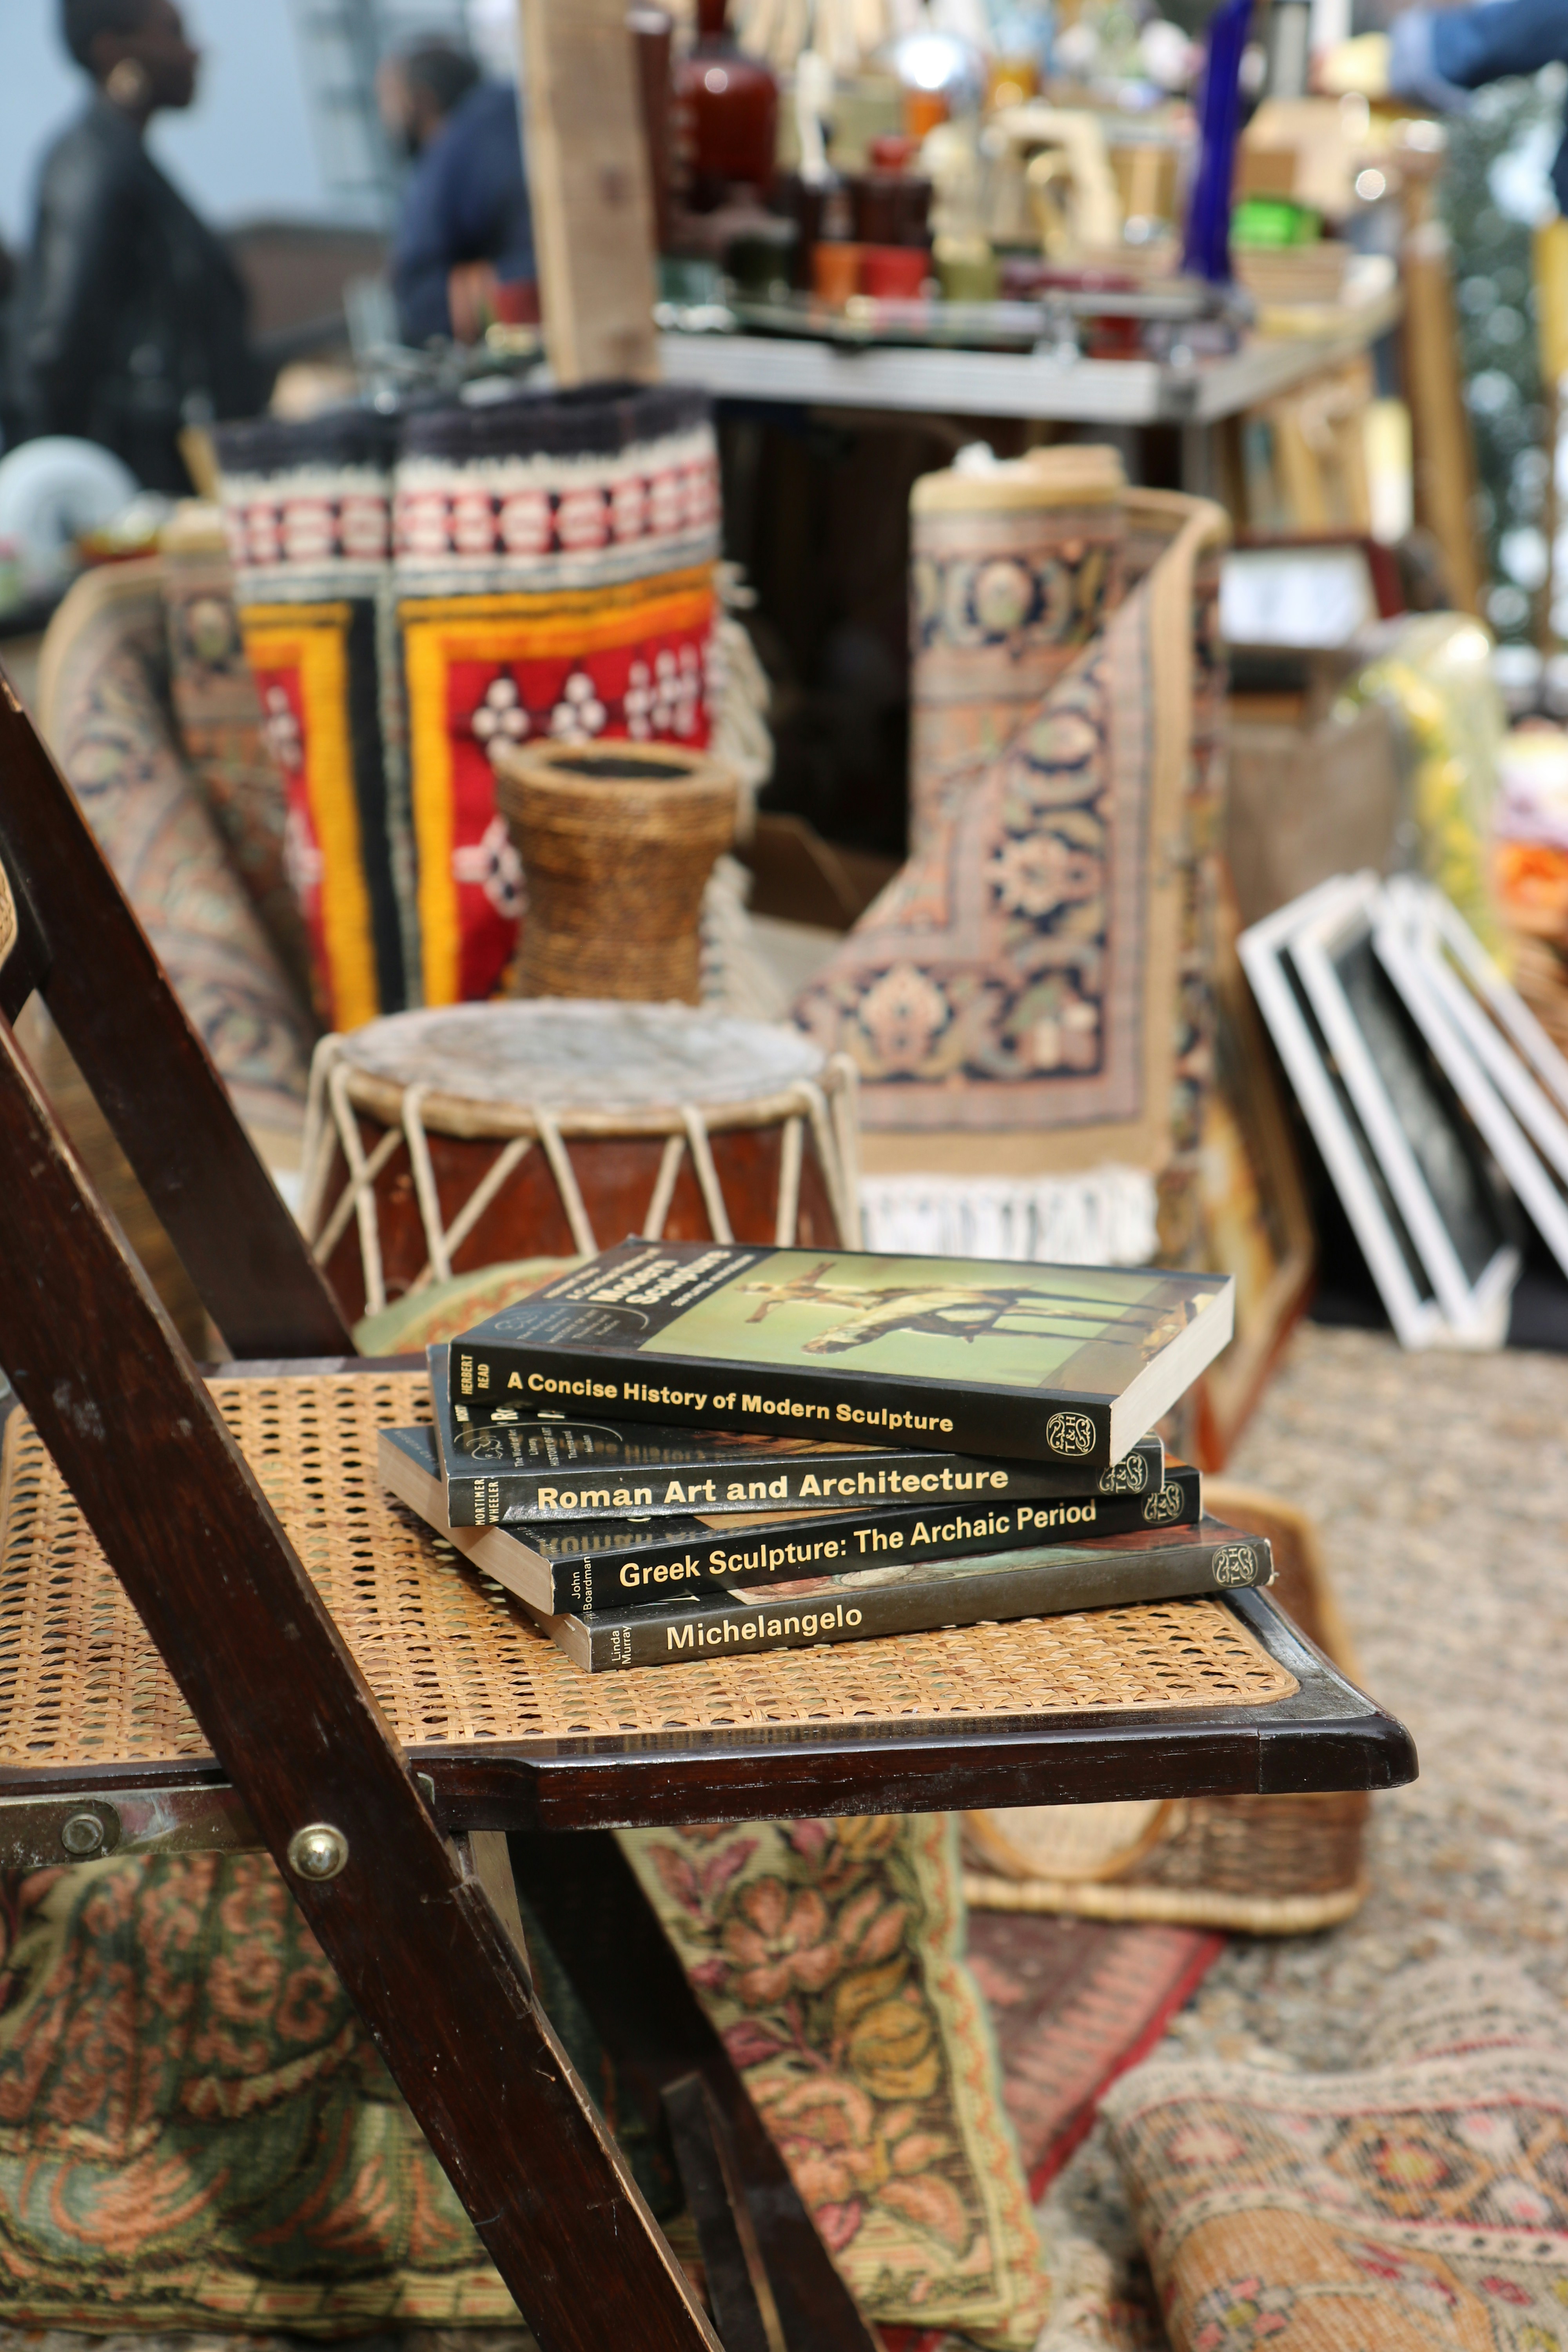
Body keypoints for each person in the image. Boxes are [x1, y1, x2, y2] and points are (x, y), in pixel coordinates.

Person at [11, 0, 268, 495]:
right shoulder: (91, 166)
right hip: (139, 501)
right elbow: (57, 348)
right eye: (173, 32)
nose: (195, 52)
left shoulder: (126, 165)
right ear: (114, 51)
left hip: (163, 483)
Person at [378, 40, 537, 346]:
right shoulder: (521, 104)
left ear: (422, 102)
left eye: (389, 102)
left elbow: (417, 297)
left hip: (528, 320)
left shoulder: (446, 152)